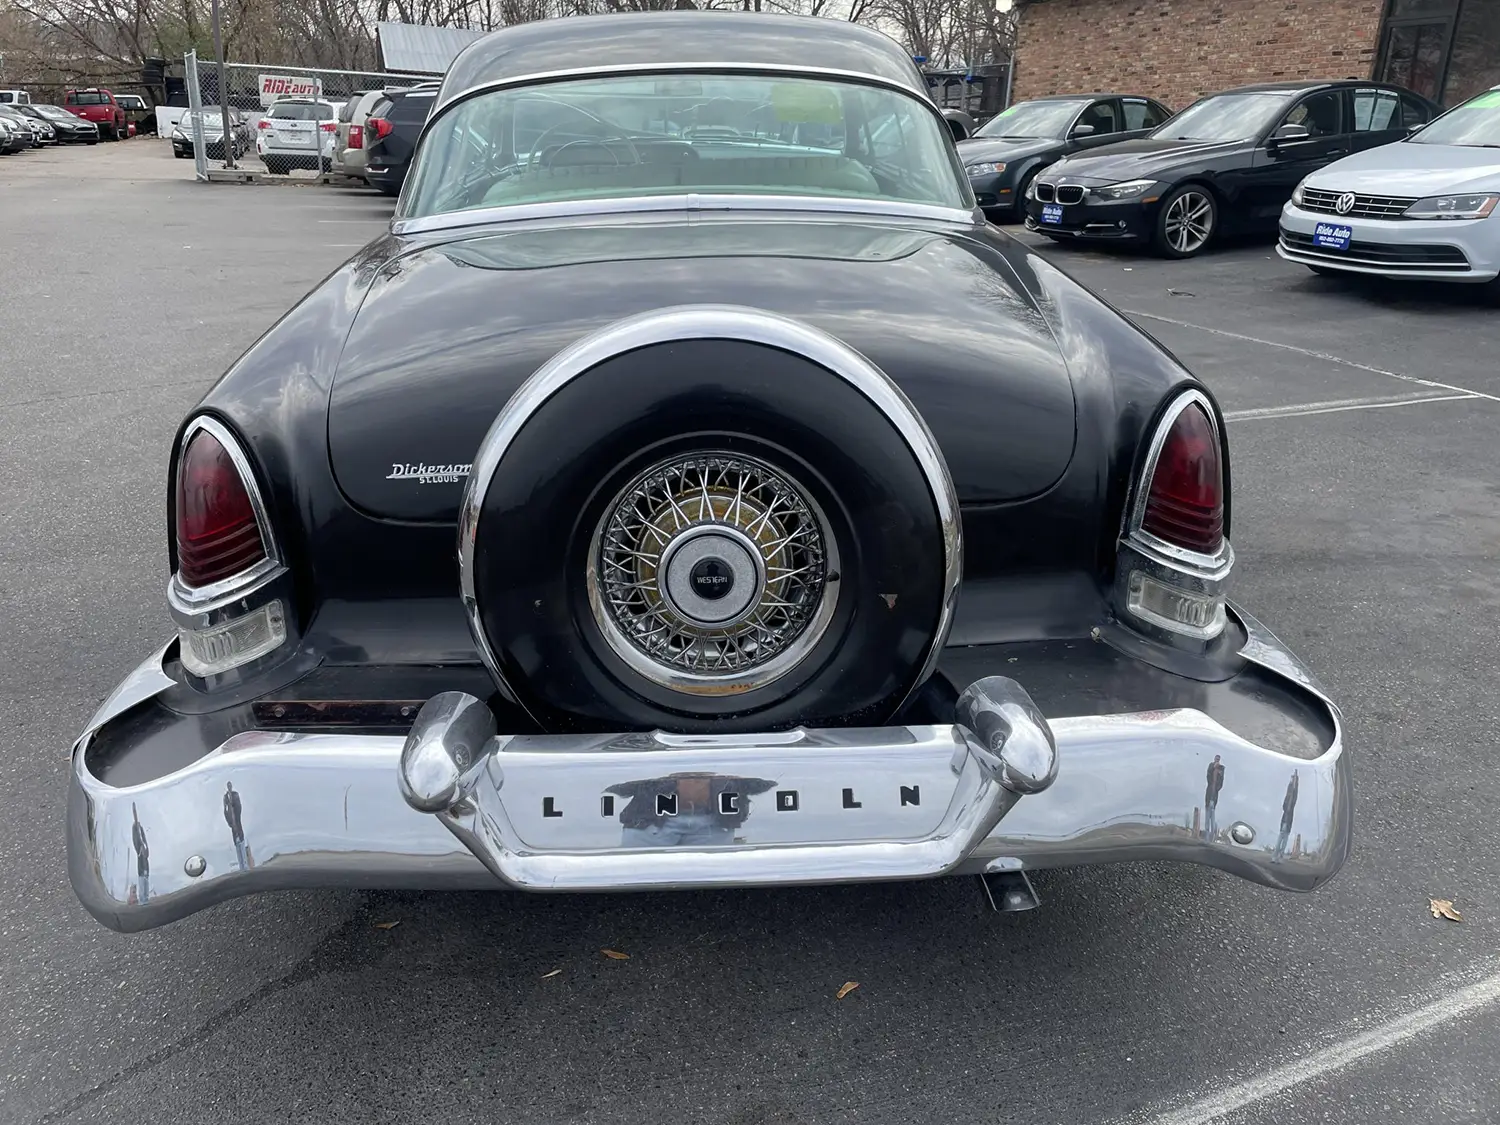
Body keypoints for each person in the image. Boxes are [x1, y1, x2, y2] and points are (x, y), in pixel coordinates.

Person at [1272, 770, 1300, 863]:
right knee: (1281, 841)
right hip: (1285, 823)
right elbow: (1291, 792)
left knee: (1282, 842)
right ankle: (1276, 857)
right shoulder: (1288, 803)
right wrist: (1293, 782)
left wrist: (1295, 781)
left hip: (1287, 824)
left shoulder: (1291, 804)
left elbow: (1294, 793)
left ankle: (1278, 857)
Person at [224, 781, 247, 871]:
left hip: (239, 830)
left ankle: (245, 868)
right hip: (234, 832)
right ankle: (242, 869)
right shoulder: (225, 797)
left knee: (242, 851)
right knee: (238, 851)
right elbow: (225, 811)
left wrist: (232, 803)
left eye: (230, 785)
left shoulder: (235, 795)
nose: (229, 787)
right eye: (228, 785)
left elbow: (238, 807)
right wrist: (229, 821)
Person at [130, 803, 149, 904]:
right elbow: (136, 839)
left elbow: (143, 838)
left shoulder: (145, 847)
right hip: (142, 870)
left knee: (146, 884)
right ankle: (143, 901)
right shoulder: (139, 849)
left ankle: (145, 900)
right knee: (142, 884)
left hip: (146, 870)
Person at [1203, 754, 1225, 841]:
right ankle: (1206, 837)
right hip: (1209, 797)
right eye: (1216, 759)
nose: (1217, 760)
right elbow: (1208, 775)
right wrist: (1213, 767)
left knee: (1212, 818)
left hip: (1214, 798)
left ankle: (1212, 837)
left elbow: (1221, 782)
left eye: (1218, 759)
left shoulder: (1221, 768)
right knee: (1207, 818)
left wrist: (1217, 788)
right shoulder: (1211, 766)